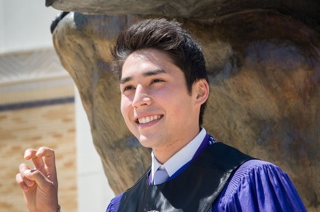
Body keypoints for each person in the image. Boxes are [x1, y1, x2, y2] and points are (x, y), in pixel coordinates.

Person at [17, 18, 307, 212]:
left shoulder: (251, 184)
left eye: (156, 82)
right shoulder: (122, 207)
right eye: (128, 87)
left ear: (199, 92)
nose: (139, 100)